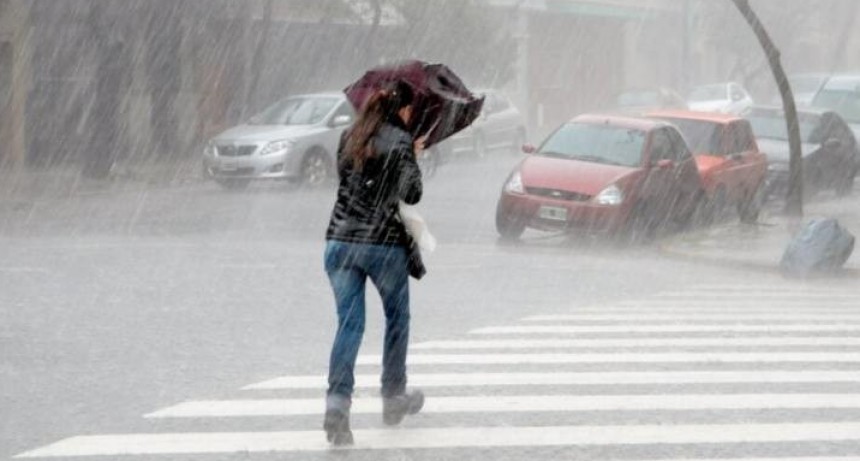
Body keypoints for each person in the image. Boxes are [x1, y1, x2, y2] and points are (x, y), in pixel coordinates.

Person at [323, 80, 426, 446]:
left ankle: (337, 405)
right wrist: (411, 154)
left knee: (349, 326)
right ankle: (393, 396)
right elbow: (412, 192)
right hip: (382, 245)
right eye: (411, 110)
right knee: (397, 318)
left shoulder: (349, 136)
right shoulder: (400, 140)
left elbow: (350, 181)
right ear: (404, 110)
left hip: (339, 242)